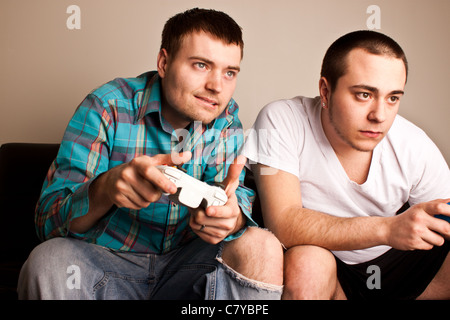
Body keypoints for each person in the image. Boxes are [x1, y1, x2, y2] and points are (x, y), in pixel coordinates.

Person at [18, 8, 283, 300]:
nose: (216, 87)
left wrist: (232, 219)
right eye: (201, 65)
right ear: (164, 62)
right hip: (104, 262)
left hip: (185, 266)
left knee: (262, 246)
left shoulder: (226, 121)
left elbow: (232, 200)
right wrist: (105, 189)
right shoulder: (107, 107)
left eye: (229, 72)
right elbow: (47, 222)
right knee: (47, 261)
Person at [243, 30, 450, 300]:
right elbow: (283, 222)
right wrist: (387, 229)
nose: (380, 116)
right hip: (327, 265)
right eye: (364, 95)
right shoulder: (283, 120)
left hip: (399, 268)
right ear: (325, 91)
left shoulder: (413, 143)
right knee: (307, 262)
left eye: (393, 98)